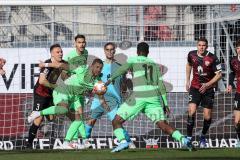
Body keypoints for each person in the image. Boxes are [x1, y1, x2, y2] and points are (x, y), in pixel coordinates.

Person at [105, 42, 192, 152]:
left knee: (116, 121)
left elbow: (122, 70)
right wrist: (165, 104)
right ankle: (183, 139)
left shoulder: (133, 60)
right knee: (163, 124)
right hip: (153, 98)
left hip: (138, 96)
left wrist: (110, 79)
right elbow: (161, 86)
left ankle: (123, 142)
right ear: (148, 52)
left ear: (137, 52)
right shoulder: (154, 64)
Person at [28, 58, 107, 149]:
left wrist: (96, 94)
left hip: (73, 97)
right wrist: (45, 65)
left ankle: (66, 143)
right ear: (92, 66)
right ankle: (37, 113)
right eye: (97, 67)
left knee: (78, 120)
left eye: (100, 68)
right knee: (64, 109)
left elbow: (94, 92)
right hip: (62, 90)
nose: (98, 69)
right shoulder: (82, 69)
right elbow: (60, 65)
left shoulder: (97, 81)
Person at [39, 34, 89, 146]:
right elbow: (63, 69)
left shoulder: (86, 53)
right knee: (75, 115)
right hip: (71, 89)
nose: (81, 44)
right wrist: (45, 64)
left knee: (79, 115)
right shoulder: (71, 56)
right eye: (79, 42)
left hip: (79, 89)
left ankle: (78, 141)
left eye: (83, 42)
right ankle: (76, 140)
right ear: (75, 44)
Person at [85, 42, 136, 148]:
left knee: (116, 122)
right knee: (91, 120)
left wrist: (125, 93)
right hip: (99, 98)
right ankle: (85, 141)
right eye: (107, 49)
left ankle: (127, 141)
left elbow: (124, 84)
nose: (109, 51)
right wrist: (91, 90)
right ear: (104, 51)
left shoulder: (120, 67)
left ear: (114, 51)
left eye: (111, 49)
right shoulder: (99, 66)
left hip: (114, 99)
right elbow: (90, 80)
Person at [27, 44, 68, 149]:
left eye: (61, 51)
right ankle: (29, 144)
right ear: (52, 54)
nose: (60, 53)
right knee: (38, 118)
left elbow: (67, 70)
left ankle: (46, 128)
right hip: (41, 93)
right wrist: (55, 87)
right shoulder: (47, 64)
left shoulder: (62, 63)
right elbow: (42, 81)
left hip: (51, 93)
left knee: (52, 117)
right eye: (57, 52)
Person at [186, 37, 222, 148]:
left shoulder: (212, 58)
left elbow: (219, 74)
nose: (201, 47)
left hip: (208, 89)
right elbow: (188, 65)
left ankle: (202, 137)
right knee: (191, 111)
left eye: (204, 45)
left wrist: (207, 85)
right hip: (195, 87)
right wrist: (187, 80)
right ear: (197, 46)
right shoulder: (191, 55)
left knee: (207, 116)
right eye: (200, 45)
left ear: (206, 46)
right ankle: (188, 139)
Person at [226, 40, 240, 148]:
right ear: (236, 49)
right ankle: (239, 140)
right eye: (238, 47)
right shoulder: (233, 61)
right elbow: (232, 73)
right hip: (239, 93)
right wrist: (230, 84)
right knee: (237, 121)